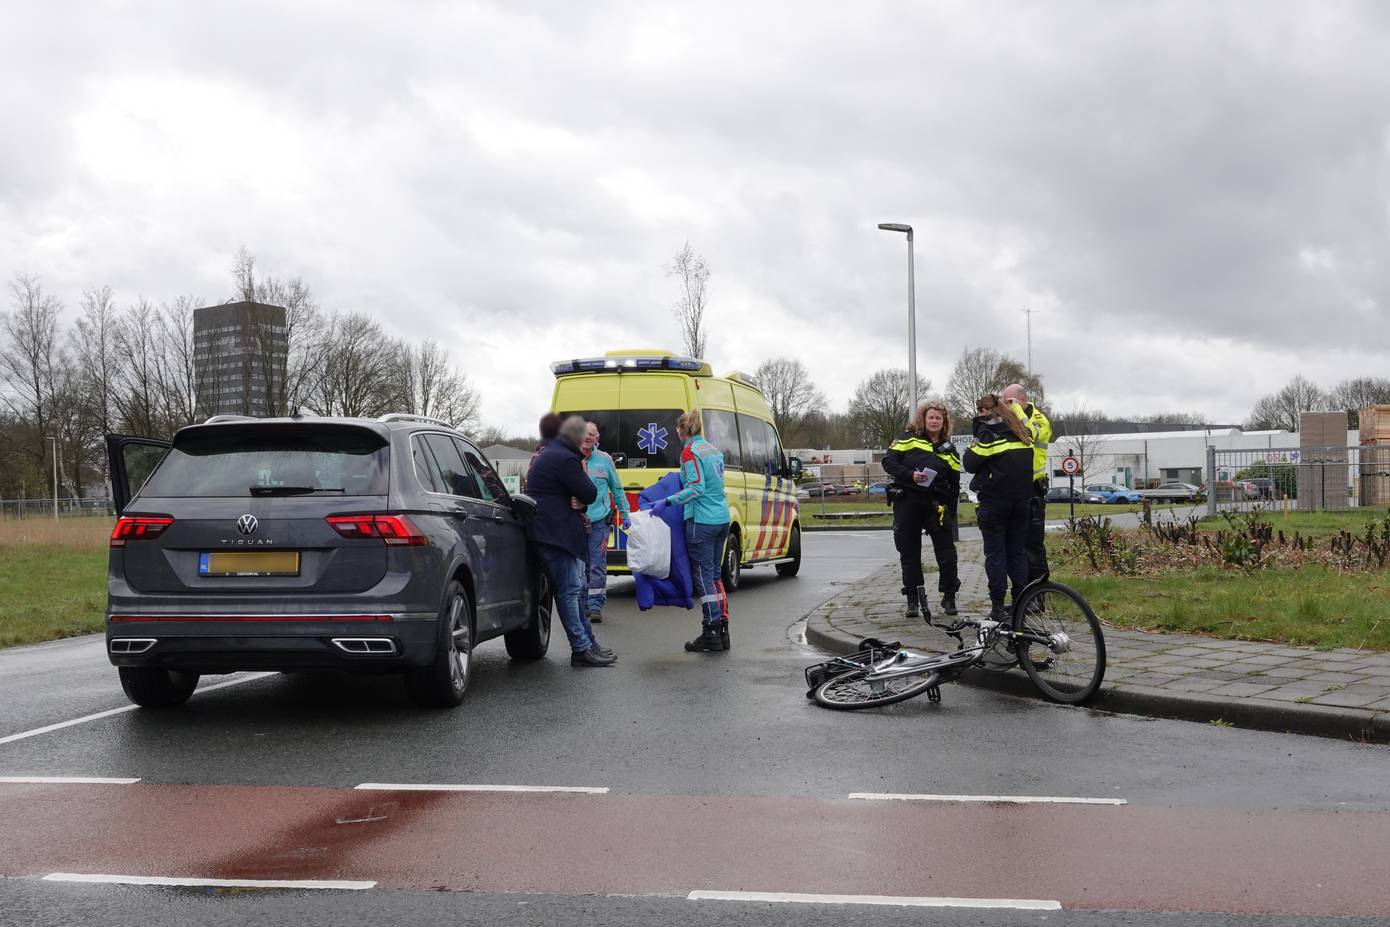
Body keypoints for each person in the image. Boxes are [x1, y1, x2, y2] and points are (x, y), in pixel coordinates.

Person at [525, 415, 613, 667]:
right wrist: (581, 497)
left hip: (554, 532)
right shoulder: (565, 458)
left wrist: (580, 499)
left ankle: (588, 643)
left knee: (576, 591)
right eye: (583, 438)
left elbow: (582, 495)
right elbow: (589, 491)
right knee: (570, 592)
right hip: (556, 535)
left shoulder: (554, 454)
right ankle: (581, 648)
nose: (586, 444)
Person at [651, 409, 731, 653]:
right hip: (721, 518)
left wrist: (667, 501)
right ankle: (723, 629)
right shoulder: (713, 450)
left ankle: (711, 631)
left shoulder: (689, 452)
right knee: (716, 577)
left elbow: (696, 487)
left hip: (701, 521)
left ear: (681, 431)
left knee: (704, 578)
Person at [882, 400, 961, 620]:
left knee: (946, 553)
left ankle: (949, 596)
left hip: (937, 504)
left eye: (939, 418)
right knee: (909, 553)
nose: (934, 421)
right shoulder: (908, 439)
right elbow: (888, 462)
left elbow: (955, 484)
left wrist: (952, 511)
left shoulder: (950, 450)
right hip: (908, 500)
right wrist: (910, 476)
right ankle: (913, 599)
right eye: (931, 417)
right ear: (923, 419)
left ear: (944, 422)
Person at [962, 394, 1034, 621]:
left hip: (995, 503)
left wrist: (978, 429)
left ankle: (997, 606)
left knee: (996, 555)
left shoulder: (989, 434)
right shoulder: (1022, 432)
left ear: (985, 411)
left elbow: (970, 463)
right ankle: (1021, 602)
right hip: (1021, 502)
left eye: (980, 411)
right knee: (1017, 553)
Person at [1000, 383, 1053, 583]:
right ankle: (1021, 595)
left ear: (1023, 401)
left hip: (1033, 489)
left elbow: (1029, 433)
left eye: (1010, 402)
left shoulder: (1039, 419)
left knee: (1033, 545)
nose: (1007, 407)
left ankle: (1038, 594)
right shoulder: (1010, 420)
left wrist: (1014, 410)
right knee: (1015, 545)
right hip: (1014, 489)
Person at [580, 420, 631, 625]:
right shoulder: (571, 459)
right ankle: (581, 603)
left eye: (592, 434)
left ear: (597, 439)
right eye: (585, 433)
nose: (588, 437)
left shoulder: (605, 460)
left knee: (597, 564)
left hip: (599, 521)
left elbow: (617, 489)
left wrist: (625, 514)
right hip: (575, 522)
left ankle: (594, 606)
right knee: (580, 565)